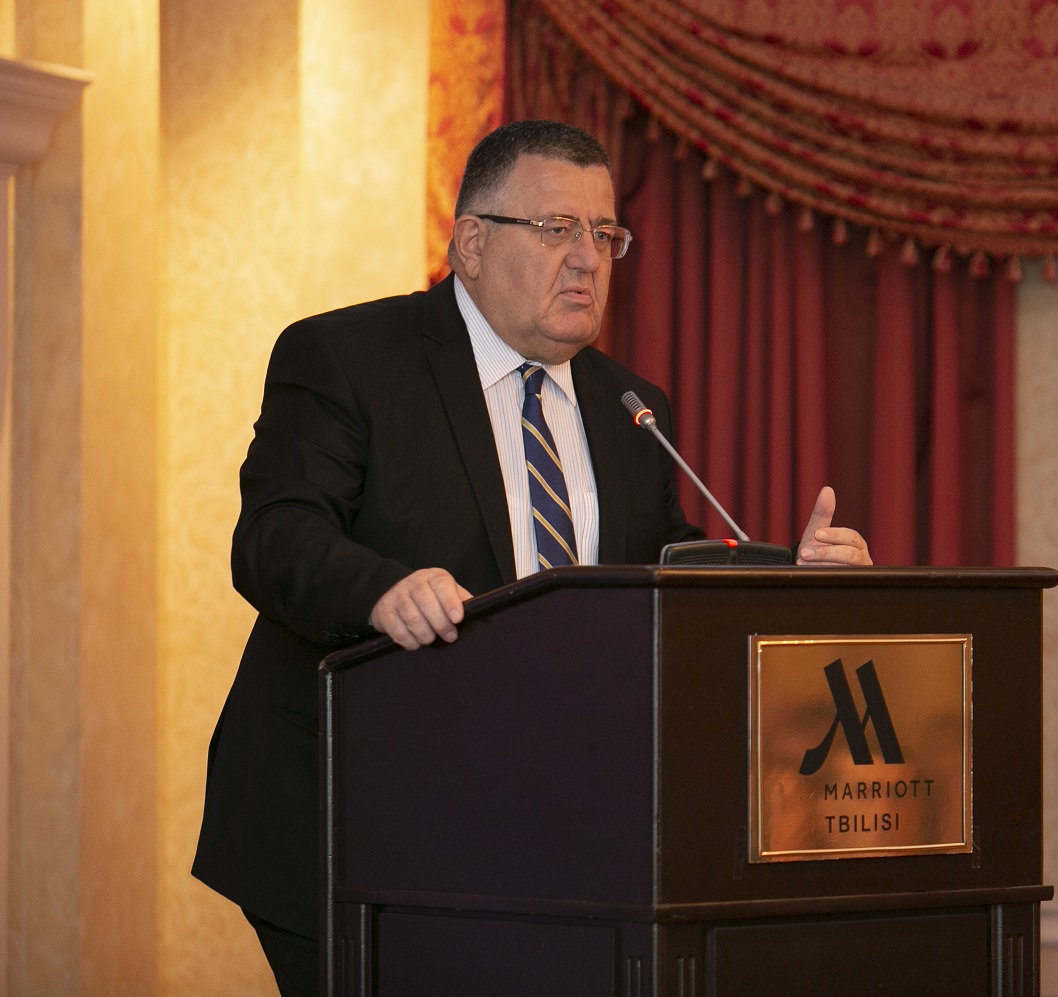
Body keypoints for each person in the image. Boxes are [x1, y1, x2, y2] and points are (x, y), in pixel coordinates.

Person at [191, 119, 871, 996]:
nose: (589, 258)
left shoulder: (631, 406)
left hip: (545, 834)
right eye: (557, 229)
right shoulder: (349, 357)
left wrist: (792, 586)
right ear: (472, 243)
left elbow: (667, 575)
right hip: (355, 822)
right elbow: (275, 535)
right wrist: (383, 590)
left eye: (606, 233)